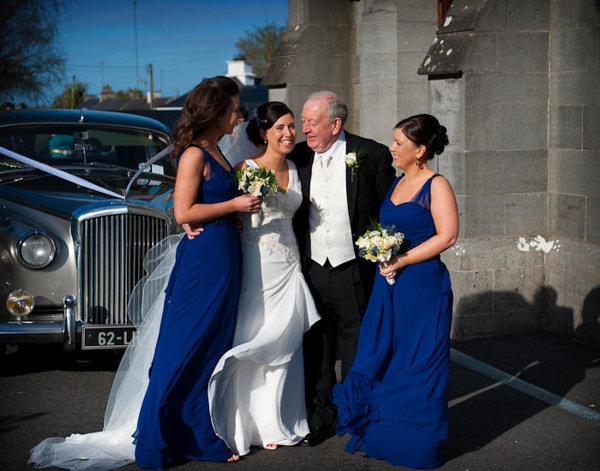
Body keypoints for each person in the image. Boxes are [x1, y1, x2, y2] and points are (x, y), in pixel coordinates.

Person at [28, 76, 262, 470]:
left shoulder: (217, 151)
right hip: (203, 260)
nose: (240, 114)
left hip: (224, 257)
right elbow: (183, 212)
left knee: (210, 346)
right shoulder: (194, 155)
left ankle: (193, 432)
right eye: (234, 107)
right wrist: (235, 205)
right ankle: (157, 436)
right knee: (183, 347)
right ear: (216, 112)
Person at [332, 114, 458, 468]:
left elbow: (447, 235)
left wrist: (401, 261)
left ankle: (418, 445)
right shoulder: (396, 183)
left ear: (420, 150)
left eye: (399, 143)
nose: (392, 148)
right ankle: (387, 434)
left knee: (420, 363)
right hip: (388, 287)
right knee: (387, 357)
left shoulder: (437, 185)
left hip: (422, 288)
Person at [207, 102, 320, 456]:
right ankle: (245, 423)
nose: (289, 134)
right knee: (256, 336)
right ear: (262, 133)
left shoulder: (295, 166)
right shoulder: (245, 167)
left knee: (286, 343)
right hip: (256, 266)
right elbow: (221, 209)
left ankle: (278, 421)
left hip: (289, 267)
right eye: (280, 128)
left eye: (292, 127)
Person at [288, 91, 396, 446]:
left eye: (312, 122)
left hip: (354, 268)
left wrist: (386, 253)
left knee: (357, 344)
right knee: (317, 345)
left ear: (336, 124)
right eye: (303, 121)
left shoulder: (372, 155)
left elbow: (388, 212)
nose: (304, 129)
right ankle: (320, 416)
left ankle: (355, 413)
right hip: (313, 267)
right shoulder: (299, 157)